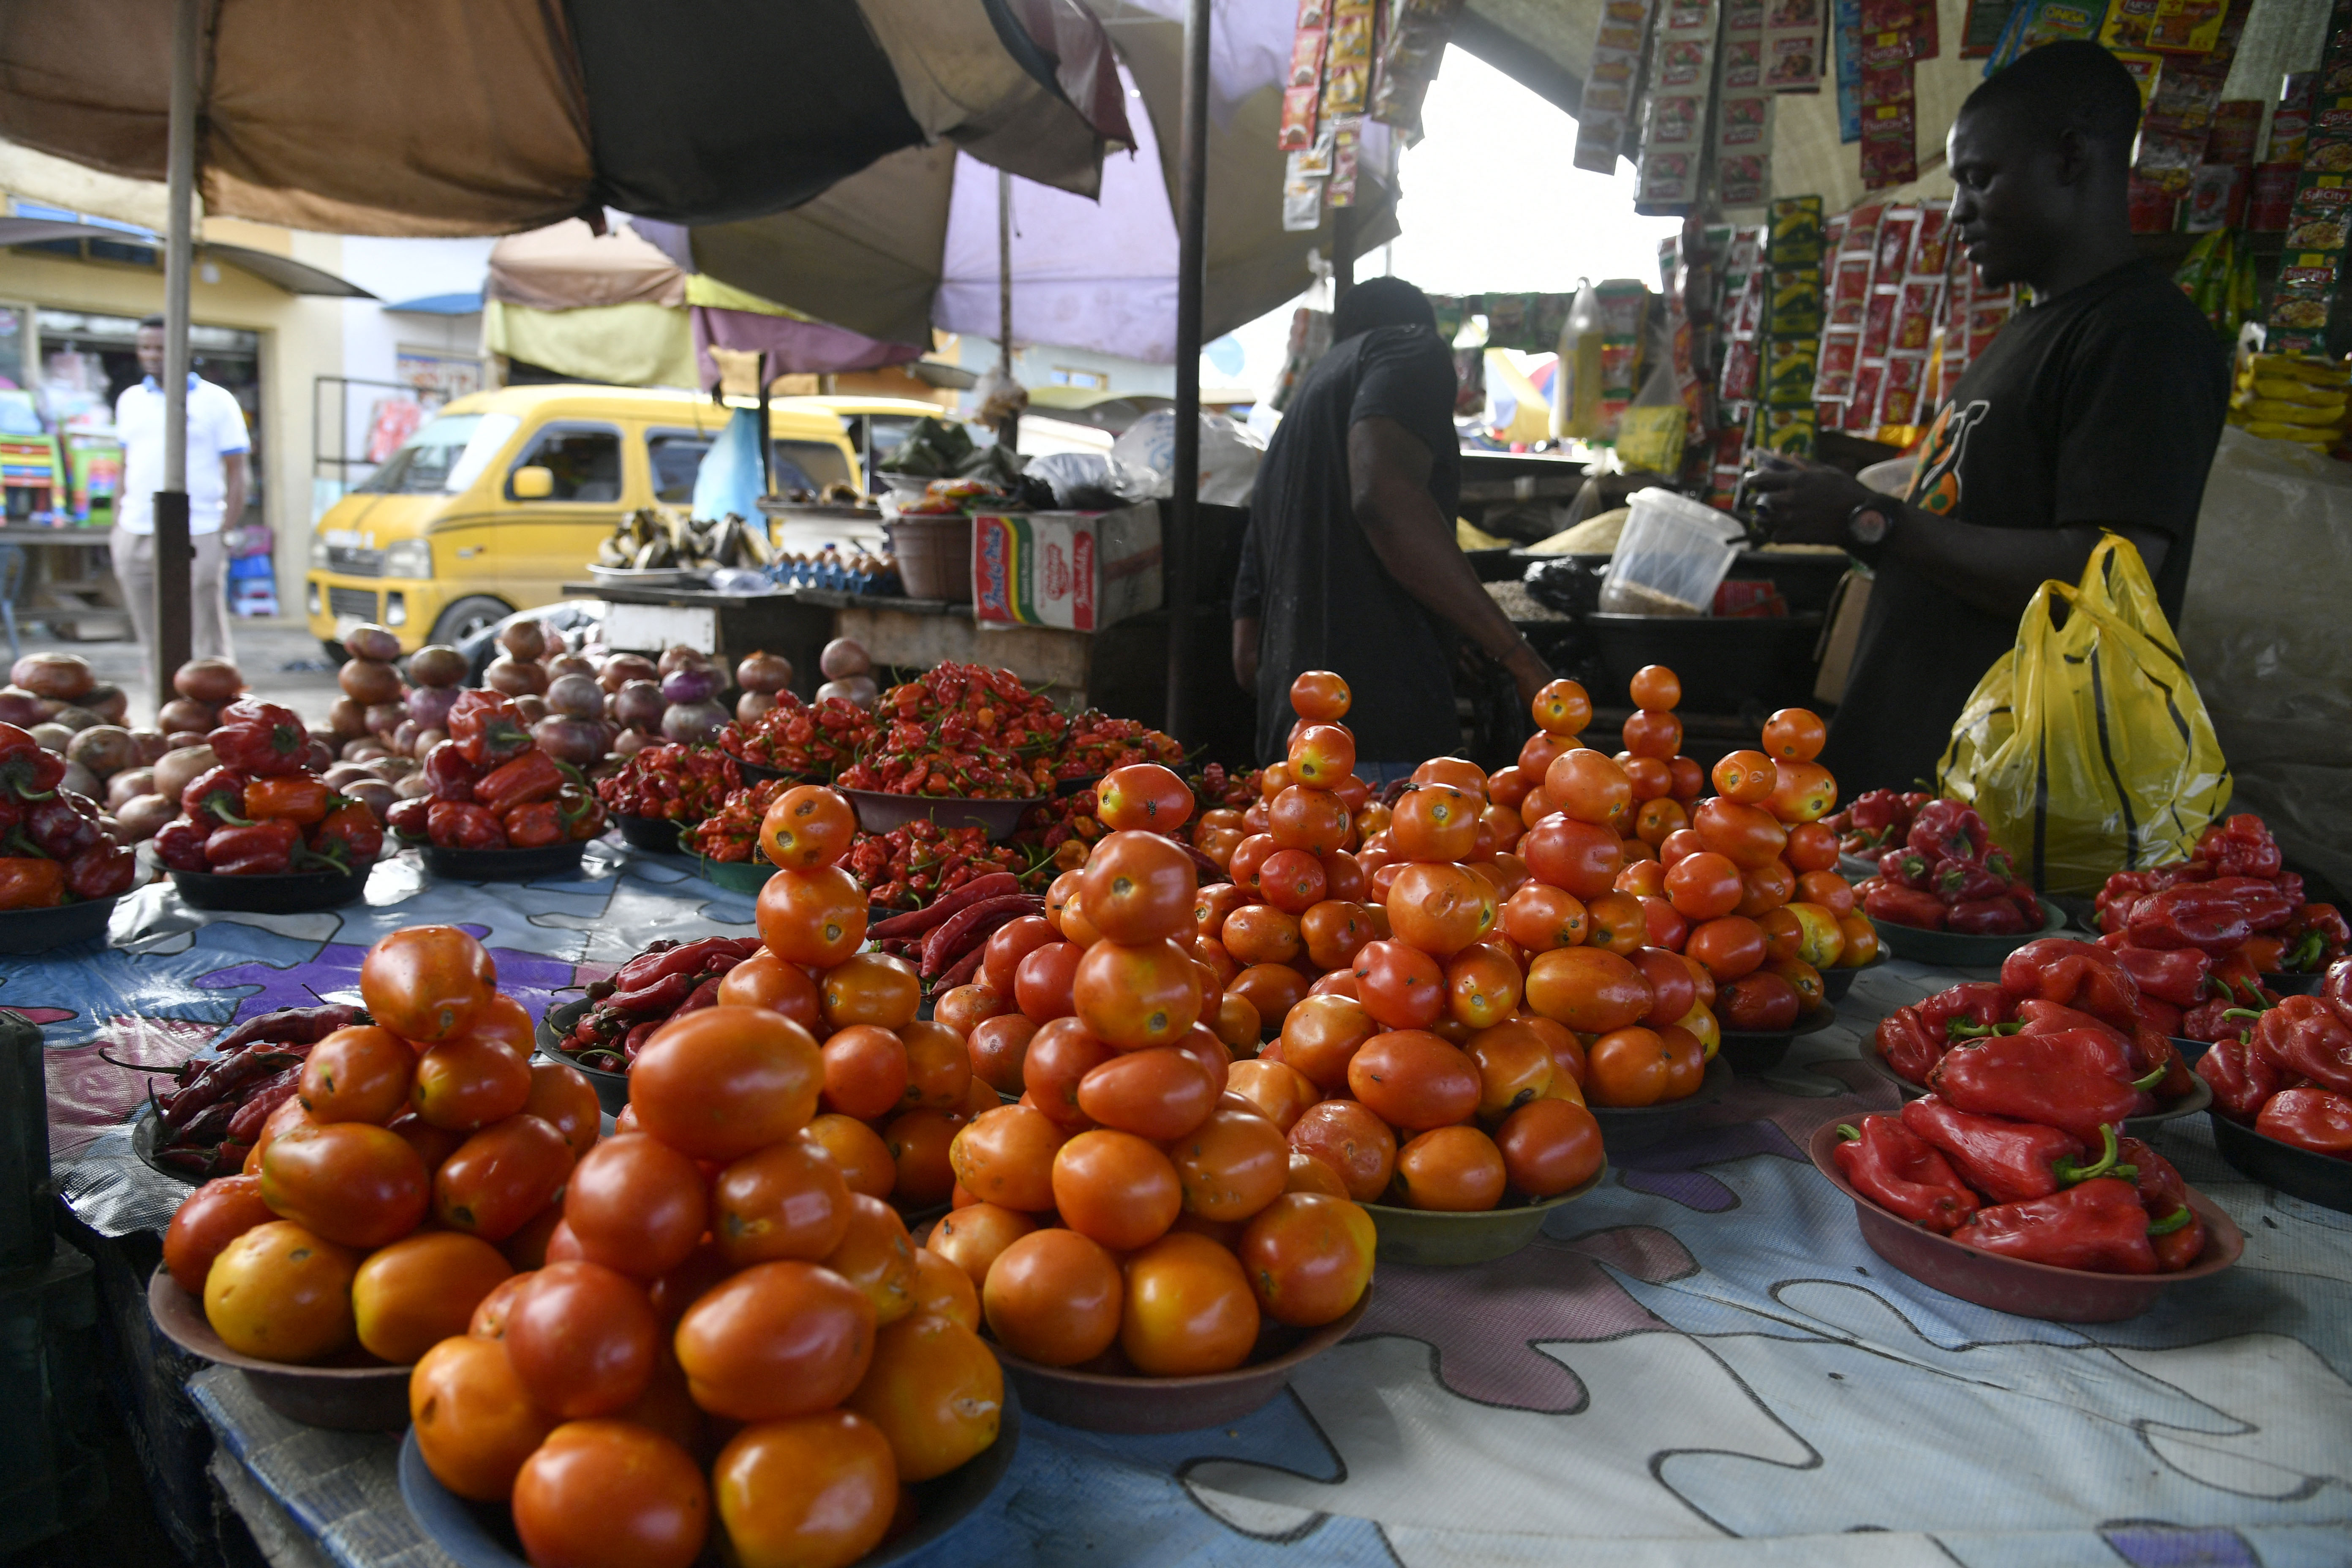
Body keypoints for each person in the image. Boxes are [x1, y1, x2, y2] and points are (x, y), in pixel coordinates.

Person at [1746, 40, 2228, 792]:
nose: (1958, 212)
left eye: (1978, 178)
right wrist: (1841, 507)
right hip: (1927, 775)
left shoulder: (2139, 337)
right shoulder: (2030, 329)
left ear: (2070, 159)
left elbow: (2103, 577)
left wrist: (1871, 520)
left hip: (2011, 798)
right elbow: (1971, 520)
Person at [1233, 277, 1553, 778]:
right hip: (1383, 741)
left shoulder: (1289, 435)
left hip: (1290, 758)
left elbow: (1246, 658)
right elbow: (1384, 498)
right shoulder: (1408, 347)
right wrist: (1519, 658)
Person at [112, 315, 249, 663]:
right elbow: (124, 466)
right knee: (153, 639)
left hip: (200, 529)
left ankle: (219, 710)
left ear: (183, 350)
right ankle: (165, 710)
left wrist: (225, 531)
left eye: (161, 347)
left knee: (207, 641)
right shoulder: (130, 400)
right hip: (136, 528)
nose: (153, 355)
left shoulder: (217, 401)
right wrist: (118, 526)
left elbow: (238, 473)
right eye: (145, 347)